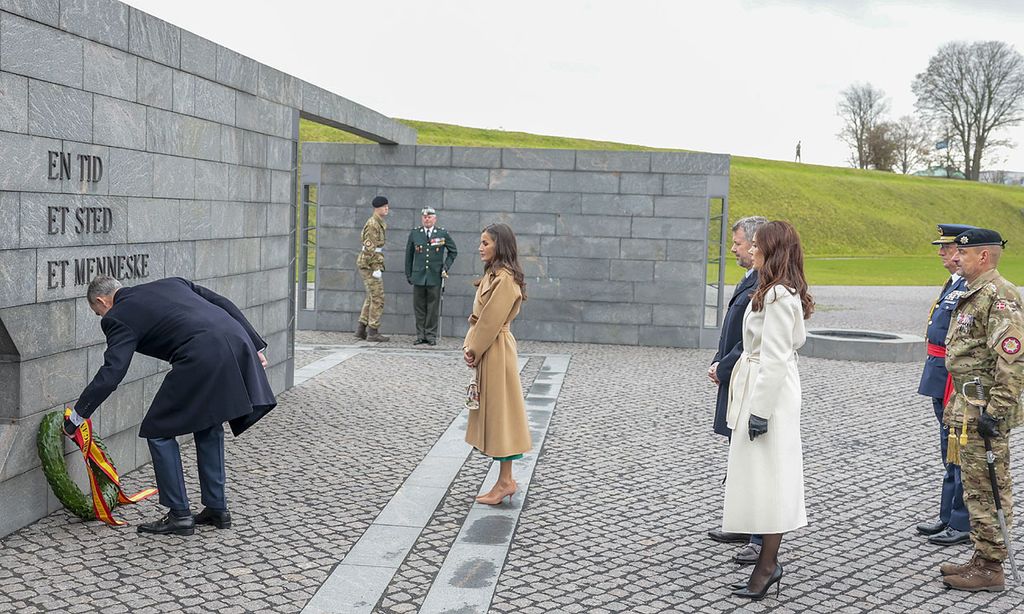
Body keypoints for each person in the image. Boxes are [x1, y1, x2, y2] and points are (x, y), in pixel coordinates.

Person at [64, 276, 276, 536]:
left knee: (158, 430)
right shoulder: (173, 283)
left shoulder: (117, 316)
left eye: (98, 313)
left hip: (200, 355)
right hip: (234, 342)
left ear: (101, 300)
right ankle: (217, 508)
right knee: (208, 423)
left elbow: (113, 371)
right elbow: (222, 303)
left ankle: (179, 515)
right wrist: (255, 344)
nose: (101, 317)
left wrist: (77, 416)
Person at [721, 220, 813, 601]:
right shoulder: (775, 291)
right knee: (763, 478)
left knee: (771, 480)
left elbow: (775, 357)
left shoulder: (777, 296)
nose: (752, 250)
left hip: (769, 396)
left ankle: (768, 566)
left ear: (772, 251)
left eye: (757, 245)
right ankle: (766, 563)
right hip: (766, 388)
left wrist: (759, 412)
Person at [940, 228, 1023, 592]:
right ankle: (981, 554)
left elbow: (1012, 359)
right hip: (967, 404)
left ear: (983, 257)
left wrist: (997, 411)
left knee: (989, 486)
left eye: (964, 253)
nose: (956, 258)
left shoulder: (1000, 295)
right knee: (974, 485)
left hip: (984, 408)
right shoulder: (975, 292)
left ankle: (991, 568)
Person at [707, 216, 768, 565]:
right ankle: (743, 522)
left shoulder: (767, 284)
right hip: (735, 377)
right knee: (738, 455)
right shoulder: (750, 279)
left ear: (757, 244)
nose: (733, 248)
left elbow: (753, 341)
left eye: (739, 243)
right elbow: (732, 332)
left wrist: (724, 366)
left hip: (748, 379)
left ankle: (760, 537)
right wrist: (720, 361)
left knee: (752, 457)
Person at [463, 223, 530, 505]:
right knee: (497, 415)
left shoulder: (504, 280)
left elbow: (490, 321)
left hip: (496, 349)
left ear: (499, 246)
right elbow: (478, 319)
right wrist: (471, 347)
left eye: (486, 243)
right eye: (480, 242)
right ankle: (504, 480)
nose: (480, 247)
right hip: (488, 349)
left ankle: (506, 481)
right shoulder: (492, 275)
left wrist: (474, 349)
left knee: (502, 417)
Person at [916, 224, 975, 547]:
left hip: (954, 378)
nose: (941, 252)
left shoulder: (969, 286)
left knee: (959, 449)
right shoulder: (954, 283)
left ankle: (961, 520)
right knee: (947, 449)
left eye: (947, 247)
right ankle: (947, 514)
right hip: (940, 374)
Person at [405, 206, 458, 345]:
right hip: (418, 276)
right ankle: (420, 335)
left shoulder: (442, 233)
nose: (427, 219)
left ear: (435, 218)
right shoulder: (415, 233)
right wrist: (409, 274)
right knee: (419, 306)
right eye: (424, 217)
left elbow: (453, 252)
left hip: (434, 276)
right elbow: (409, 255)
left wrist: (445, 267)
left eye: (429, 217)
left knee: (433, 307)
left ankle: (430, 335)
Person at [355, 195, 390, 342]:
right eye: (384, 206)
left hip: (372, 262)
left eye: (387, 206)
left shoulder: (378, 222)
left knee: (371, 296)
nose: (387, 208)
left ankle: (361, 329)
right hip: (369, 264)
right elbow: (370, 248)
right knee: (378, 297)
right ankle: (373, 331)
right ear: (377, 208)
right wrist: (375, 267)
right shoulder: (373, 224)